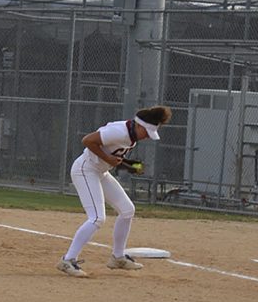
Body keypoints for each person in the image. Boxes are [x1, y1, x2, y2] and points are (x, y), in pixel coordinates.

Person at [57, 105, 172, 278]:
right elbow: (88, 141)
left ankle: (117, 257)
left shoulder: (131, 135)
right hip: (85, 170)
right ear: (139, 125)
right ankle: (67, 260)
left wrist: (129, 165)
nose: (147, 137)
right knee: (97, 218)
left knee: (127, 210)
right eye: (147, 132)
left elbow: (112, 154)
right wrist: (108, 159)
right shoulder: (120, 131)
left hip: (100, 172)